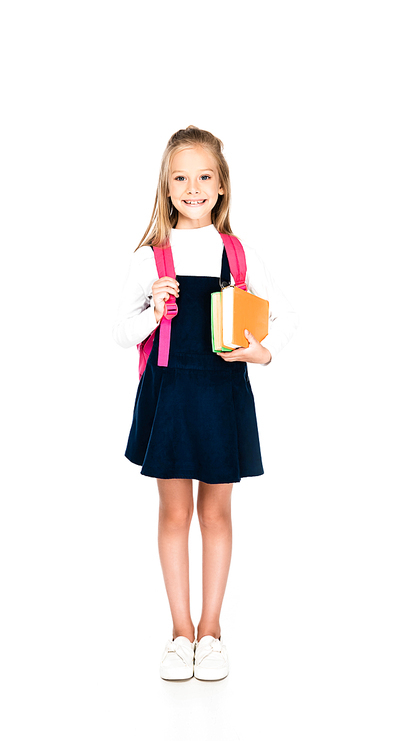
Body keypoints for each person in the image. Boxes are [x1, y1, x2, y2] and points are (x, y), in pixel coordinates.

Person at [112, 126, 298, 680]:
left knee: (216, 513)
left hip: (221, 394)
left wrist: (261, 354)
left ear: (221, 186)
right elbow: (121, 333)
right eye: (181, 177)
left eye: (204, 177)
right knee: (173, 512)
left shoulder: (237, 251)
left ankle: (212, 632)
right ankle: (179, 633)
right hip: (169, 393)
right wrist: (155, 311)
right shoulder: (152, 255)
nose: (193, 187)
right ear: (166, 188)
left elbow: (283, 317)